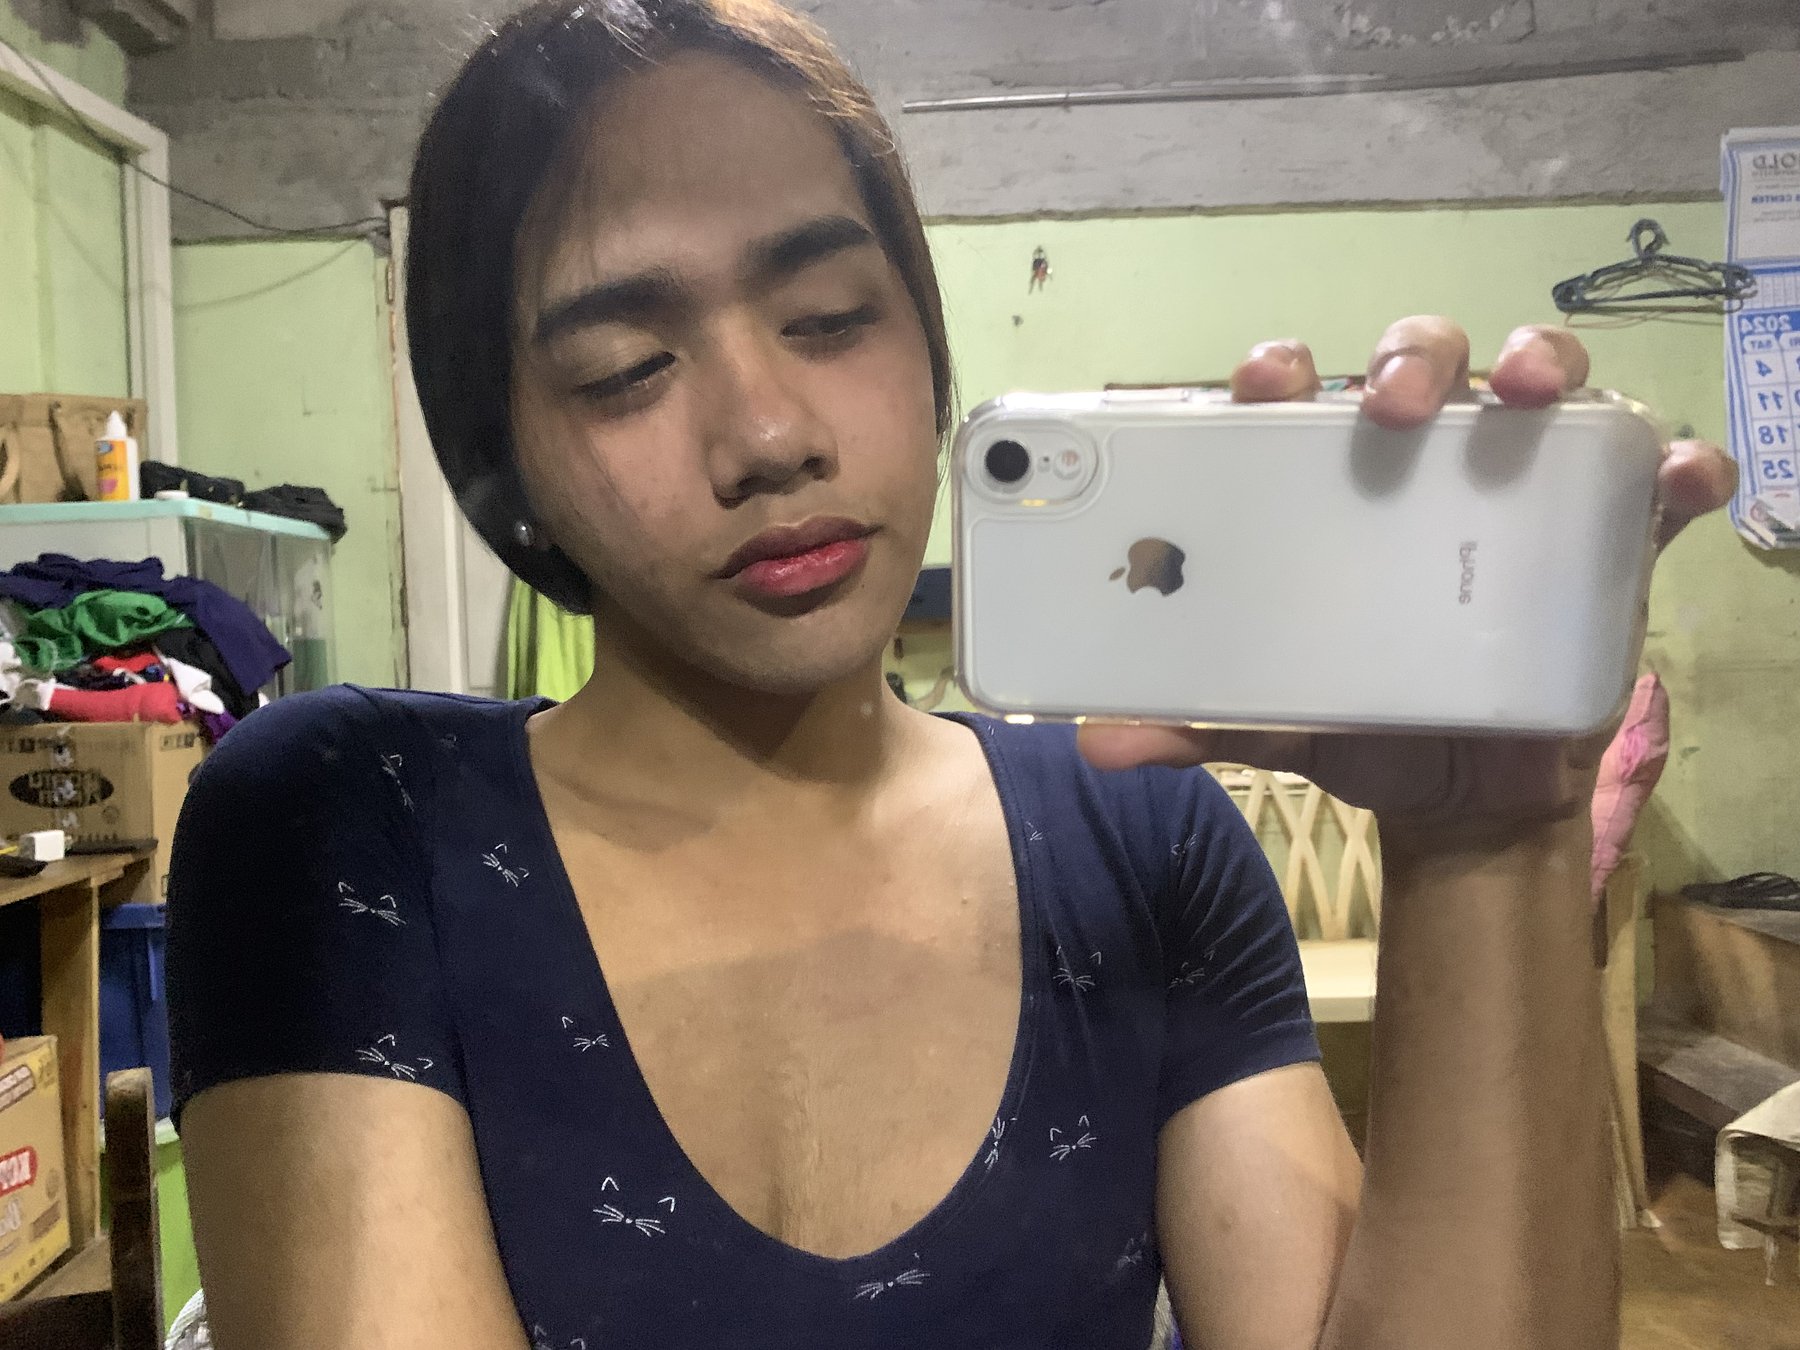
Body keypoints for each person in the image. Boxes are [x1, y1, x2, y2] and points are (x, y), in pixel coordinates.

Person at [165, 3, 1737, 1348]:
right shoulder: (351, 828)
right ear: (501, 466)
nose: (769, 433)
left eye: (831, 316)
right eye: (624, 369)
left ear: (926, 346)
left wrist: (1493, 839)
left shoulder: (1141, 842)